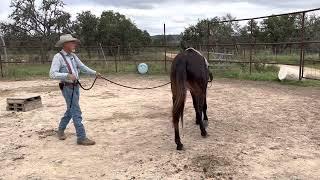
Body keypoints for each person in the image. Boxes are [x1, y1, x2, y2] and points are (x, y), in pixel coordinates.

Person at [49, 34, 101, 145]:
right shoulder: (58, 57)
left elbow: (82, 67)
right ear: (65, 44)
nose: (74, 44)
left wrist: (94, 73)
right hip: (67, 88)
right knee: (76, 111)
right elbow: (52, 74)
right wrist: (67, 75)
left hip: (76, 86)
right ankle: (81, 137)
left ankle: (60, 129)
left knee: (71, 110)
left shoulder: (73, 56)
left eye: (74, 42)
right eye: (72, 42)